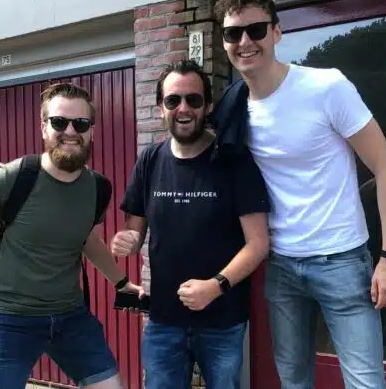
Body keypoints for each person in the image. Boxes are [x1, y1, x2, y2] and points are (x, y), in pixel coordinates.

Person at [212, 0, 386, 388]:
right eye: (233, 33)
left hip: (342, 260)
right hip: (282, 264)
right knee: (294, 381)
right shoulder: (234, 107)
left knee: (366, 383)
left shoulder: (325, 87)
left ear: (277, 32)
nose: (245, 42)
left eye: (256, 29)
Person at [0, 82, 143, 389]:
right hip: (8, 319)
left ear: (91, 131)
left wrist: (122, 283)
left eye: (80, 124)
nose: (70, 131)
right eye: (59, 122)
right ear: (44, 128)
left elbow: (88, 241)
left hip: (70, 316)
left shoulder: (98, 188)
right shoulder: (12, 177)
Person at [110, 59, 270, 389]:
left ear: (207, 106)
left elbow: (258, 244)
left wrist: (215, 286)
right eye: (173, 100)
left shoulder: (234, 160)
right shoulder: (150, 159)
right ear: (161, 108)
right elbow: (135, 232)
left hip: (222, 321)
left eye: (193, 100)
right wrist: (126, 240)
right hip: (163, 321)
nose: (183, 109)